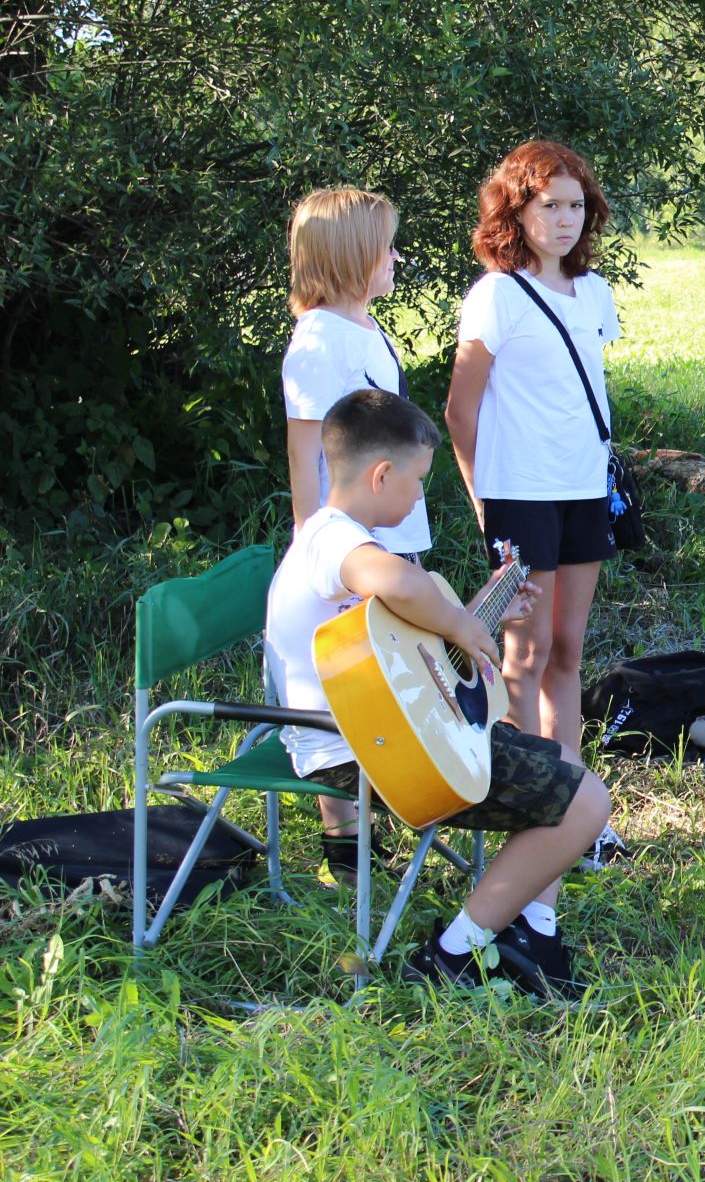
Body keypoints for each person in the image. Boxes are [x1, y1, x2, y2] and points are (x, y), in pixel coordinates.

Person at [265, 389, 613, 997]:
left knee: (556, 767)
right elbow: (400, 582)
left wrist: (479, 613)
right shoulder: (332, 540)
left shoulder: (348, 542)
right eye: (419, 480)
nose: (422, 493)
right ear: (381, 474)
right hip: (360, 753)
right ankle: (454, 954)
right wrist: (458, 622)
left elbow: (412, 653)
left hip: (385, 732)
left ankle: (532, 932)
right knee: (586, 803)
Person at [446, 141, 625, 865]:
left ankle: (575, 803)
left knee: (568, 650)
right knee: (523, 653)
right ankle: (528, 807)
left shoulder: (597, 291)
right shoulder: (496, 293)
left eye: (576, 205)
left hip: (585, 490)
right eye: (548, 204)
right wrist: (483, 502)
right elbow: (462, 409)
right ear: (514, 210)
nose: (564, 219)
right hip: (519, 495)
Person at [281, 186, 430, 883]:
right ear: (348, 257)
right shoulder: (316, 342)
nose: (397, 256)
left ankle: (380, 840)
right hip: (353, 553)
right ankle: (348, 858)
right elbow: (308, 477)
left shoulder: (368, 328)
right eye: (385, 247)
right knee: (353, 696)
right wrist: (330, 556)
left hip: (394, 531)